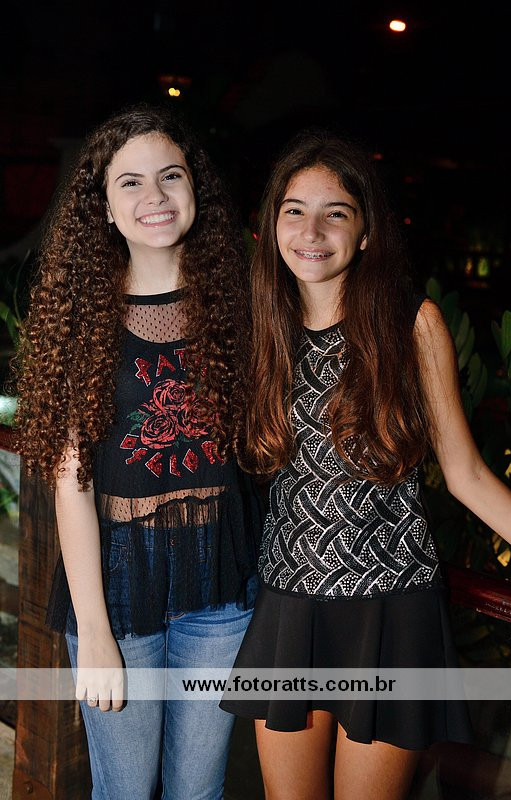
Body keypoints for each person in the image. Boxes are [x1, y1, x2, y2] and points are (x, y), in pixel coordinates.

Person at [220, 130, 511, 800]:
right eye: (294, 211)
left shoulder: (410, 325)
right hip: (289, 607)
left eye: (335, 213)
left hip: (389, 614)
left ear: (365, 233)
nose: (311, 231)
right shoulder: (258, 327)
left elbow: (466, 473)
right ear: (271, 225)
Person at [15, 105, 261, 800]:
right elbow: (71, 482)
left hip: (221, 584)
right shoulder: (82, 314)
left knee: (198, 791)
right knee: (123, 791)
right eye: (130, 182)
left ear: (195, 187)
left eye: (170, 175)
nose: (155, 195)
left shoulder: (242, 302)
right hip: (117, 590)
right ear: (103, 207)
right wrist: (94, 630)